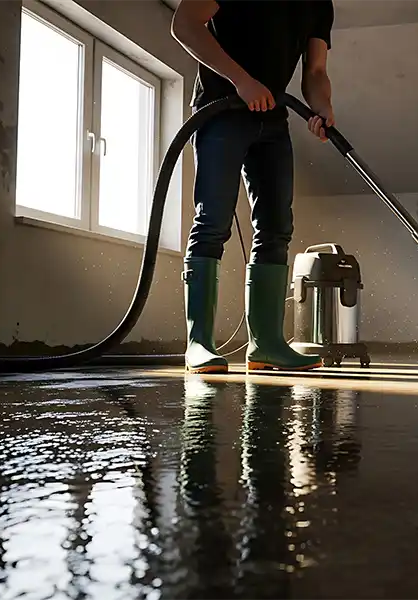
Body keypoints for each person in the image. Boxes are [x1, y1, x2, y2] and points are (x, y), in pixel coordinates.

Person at [171, 0, 336, 374]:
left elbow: (316, 69)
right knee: (212, 221)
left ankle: (266, 344)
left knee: (276, 229)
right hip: (221, 110)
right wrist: (241, 80)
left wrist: (322, 105)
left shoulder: (319, 3)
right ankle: (198, 344)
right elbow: (185, 24)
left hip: (273, 120)